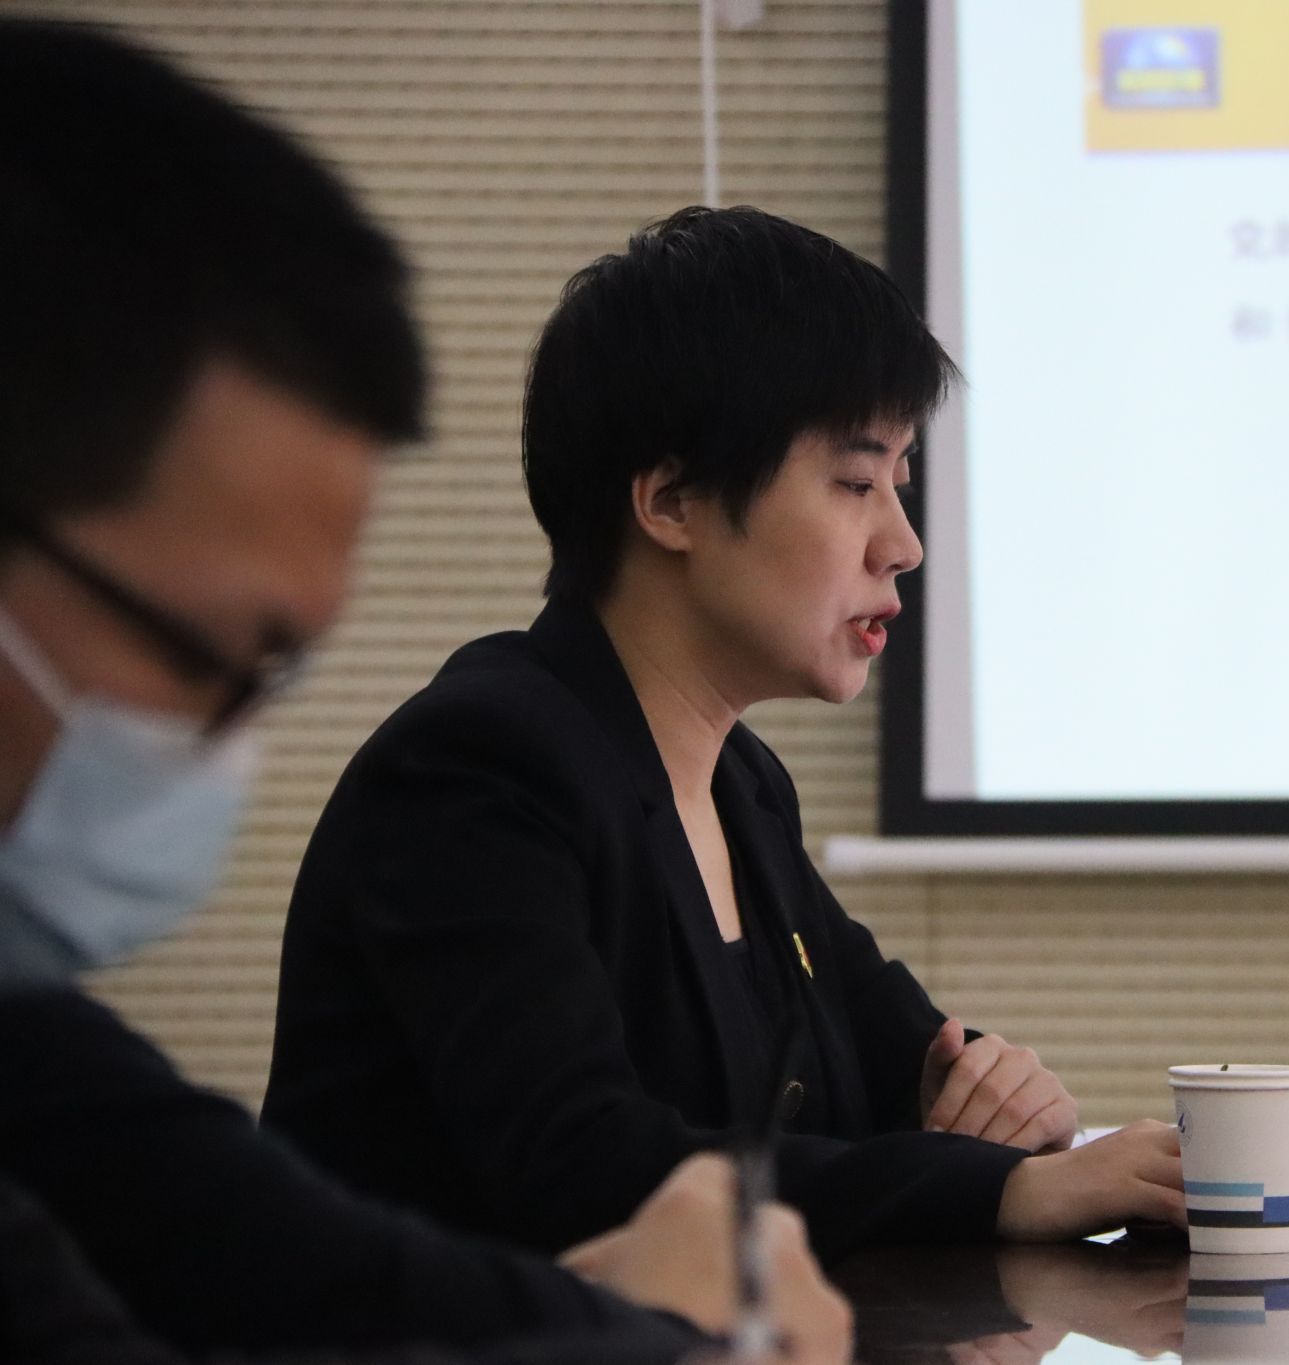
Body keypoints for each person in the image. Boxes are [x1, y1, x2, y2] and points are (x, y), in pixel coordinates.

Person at [0, 19, 848, 1364]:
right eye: (201, 657)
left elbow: (299, 1267)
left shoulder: (30, 1043)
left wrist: (647, 1320)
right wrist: (677, 1324)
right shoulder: (490, 755)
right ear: (671, 502)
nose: (222, 749)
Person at [261, 205, 1186, 1262]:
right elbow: (585, 1171)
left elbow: (904, 1061)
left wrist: (994, 1091)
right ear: (671, 502)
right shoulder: (478, 768)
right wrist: (1006, 1191)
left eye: (899, 484)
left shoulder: (740, 782)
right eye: (855, 483)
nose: (903, 543)